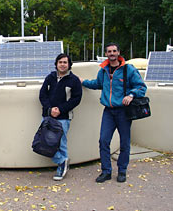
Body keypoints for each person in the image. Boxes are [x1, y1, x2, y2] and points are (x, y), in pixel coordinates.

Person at [80, 42, 147, 183]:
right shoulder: (103, 70)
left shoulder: (128, 69)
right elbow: (97, 84)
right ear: (106, 54)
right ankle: (106, 171)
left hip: (123, 111)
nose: (111, 53)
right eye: (109, 51)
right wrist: (82, 81)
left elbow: (141, 86)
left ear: (118, 52)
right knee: (103, 140)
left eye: (114, 51)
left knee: (124, 143)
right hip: (108, 111)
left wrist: (131, 95)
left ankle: (122, 171)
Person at [40, 53, 82, 181]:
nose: (62, 64)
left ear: (69, 64)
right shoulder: (50, 77)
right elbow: (42, 95)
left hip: (63, 117)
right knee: (44, 142)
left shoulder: (74, 80)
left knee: (61, 143)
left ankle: (61, 168)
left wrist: (60, 109)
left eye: (65, 62)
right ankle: (63, 161)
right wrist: (50, 109)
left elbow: (76, 99)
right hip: (48, 115)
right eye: (60, 62)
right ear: (56, 64)